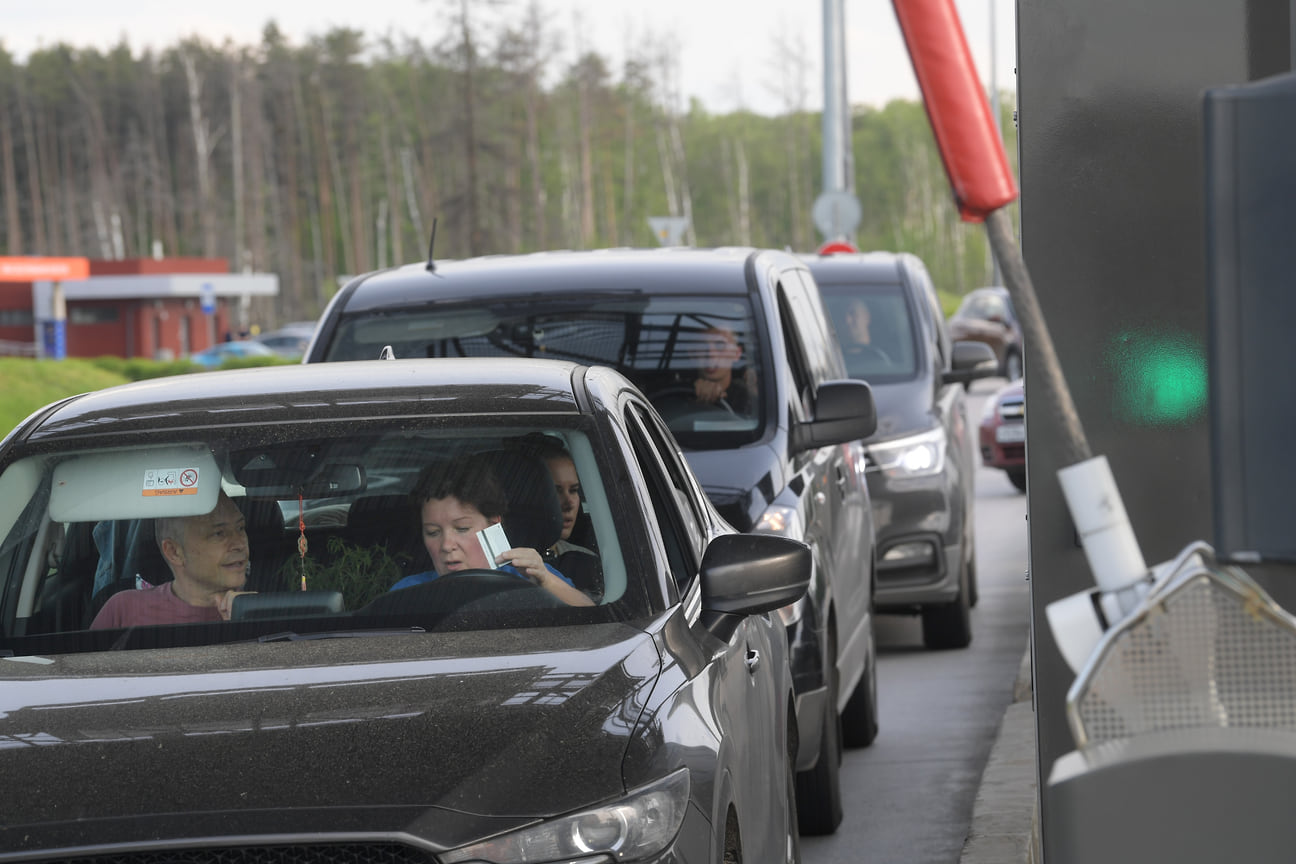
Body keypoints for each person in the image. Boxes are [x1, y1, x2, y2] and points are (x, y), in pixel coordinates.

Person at [390, 456, 594, 607]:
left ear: (494, 525)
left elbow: (591, 618)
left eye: (462, 528)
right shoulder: (408, 593)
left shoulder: (532, 577)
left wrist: (546, 581)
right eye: (433, 532)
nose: (446, 545)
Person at [90, 490, 253, 629]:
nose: (239, 544)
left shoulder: (260, 611)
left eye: (240, 528)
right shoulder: (124, 610)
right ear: (174, 552)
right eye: (219, 533)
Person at [516, 435, 603, 602]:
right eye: (555, 490)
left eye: (574, 490)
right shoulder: (489, 560)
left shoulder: (587, 564)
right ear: (525, 495)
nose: (569, 503)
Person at [688, 325, 755, 414]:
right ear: (692, 353)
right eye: (703, 345)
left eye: (720, 345)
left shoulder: (752, 403)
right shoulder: (676, 397)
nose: (711, 354)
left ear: (736, 353)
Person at [839, 296, 892, 369]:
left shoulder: (886, 360)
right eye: (842, 315)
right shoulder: (832, 362)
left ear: (867, 317)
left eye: (852, 313)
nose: (847, 320)